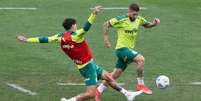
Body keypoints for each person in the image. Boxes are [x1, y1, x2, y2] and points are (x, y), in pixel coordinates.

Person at [17, 5, 143, 101]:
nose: (76, 26)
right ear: (73, 26)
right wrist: (94, 13)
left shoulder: (60, 37)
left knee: (108, 77)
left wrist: (27, 39)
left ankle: (128, 94)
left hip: (88, 64)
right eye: (75, 25)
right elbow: (87, 27)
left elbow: (44, 39)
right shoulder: (76, 35)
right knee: (91, 94)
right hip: (87, 67)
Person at [96, 3, 160, 99]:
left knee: (114, 75)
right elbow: (106, 24)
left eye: (137, 14)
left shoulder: (139, 19)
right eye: (133, 14)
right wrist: (106, 39)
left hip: (128, 50)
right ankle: (140, 84)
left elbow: (146, 25)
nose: (135, 16)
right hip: (121, 49)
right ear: (129, 12)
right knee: (141, 59)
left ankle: (98, 91)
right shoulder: (121, 19)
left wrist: (154, 24)